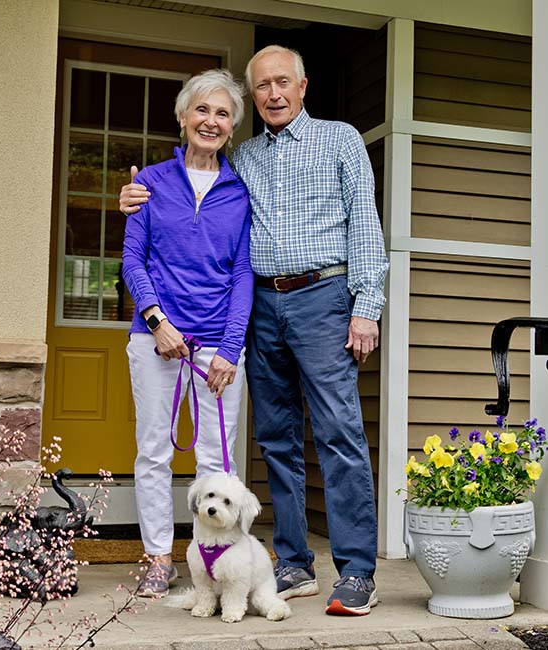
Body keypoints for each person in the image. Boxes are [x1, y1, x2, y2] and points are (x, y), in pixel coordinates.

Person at [120, 46, 389, 616]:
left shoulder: (338, 140)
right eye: (262, 84)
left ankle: (358, 570)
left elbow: (365, 222)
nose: (272, 93)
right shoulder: (243, 161)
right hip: (264, 304)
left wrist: (368, 304)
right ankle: (292, 563)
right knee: (276, 438)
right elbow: (174, 211)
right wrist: (132, 197)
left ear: (303, 85)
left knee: (339, 431)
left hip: (322, 296)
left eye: (282, 82)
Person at [122, 69, 253, 599]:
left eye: (223, 114)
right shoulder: (149, 182)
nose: (211, 121)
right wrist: (157, 322)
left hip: (218, 347)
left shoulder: (240, 191)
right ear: (182, 117)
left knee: (216, 460)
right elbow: (133, 260)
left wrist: (231, 347)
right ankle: (158, 557)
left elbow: (243, 272)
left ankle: (215, 562)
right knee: (153, 450)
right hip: (154, 340)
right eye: (202, 110)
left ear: (232, 129)